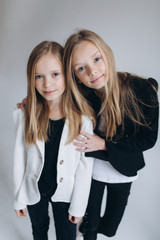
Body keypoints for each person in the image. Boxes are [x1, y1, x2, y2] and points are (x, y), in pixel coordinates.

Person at [63, 29, 159, 239]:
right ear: (76, 76)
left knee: (112, 222)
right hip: (93, 168)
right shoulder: (82, 94)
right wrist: (29, 102)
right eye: (81, 68)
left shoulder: (141, 89)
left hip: (124, 165)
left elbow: (148, 139)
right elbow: (53, 97)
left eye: (97, 59)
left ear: (107, 55)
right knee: (91, 221)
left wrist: (105, 144)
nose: (92, 71)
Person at [13, 41, 94, 240]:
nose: (47, 84)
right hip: (35, 190)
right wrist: (19, 198)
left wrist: (79, 206)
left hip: (65, 194)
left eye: (55, 74)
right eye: (38, 76)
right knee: (39, 230)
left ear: (68, 74)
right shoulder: (25, 115)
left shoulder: (83, 120)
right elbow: (18, 159)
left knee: (67, 236)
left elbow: (85, 168)